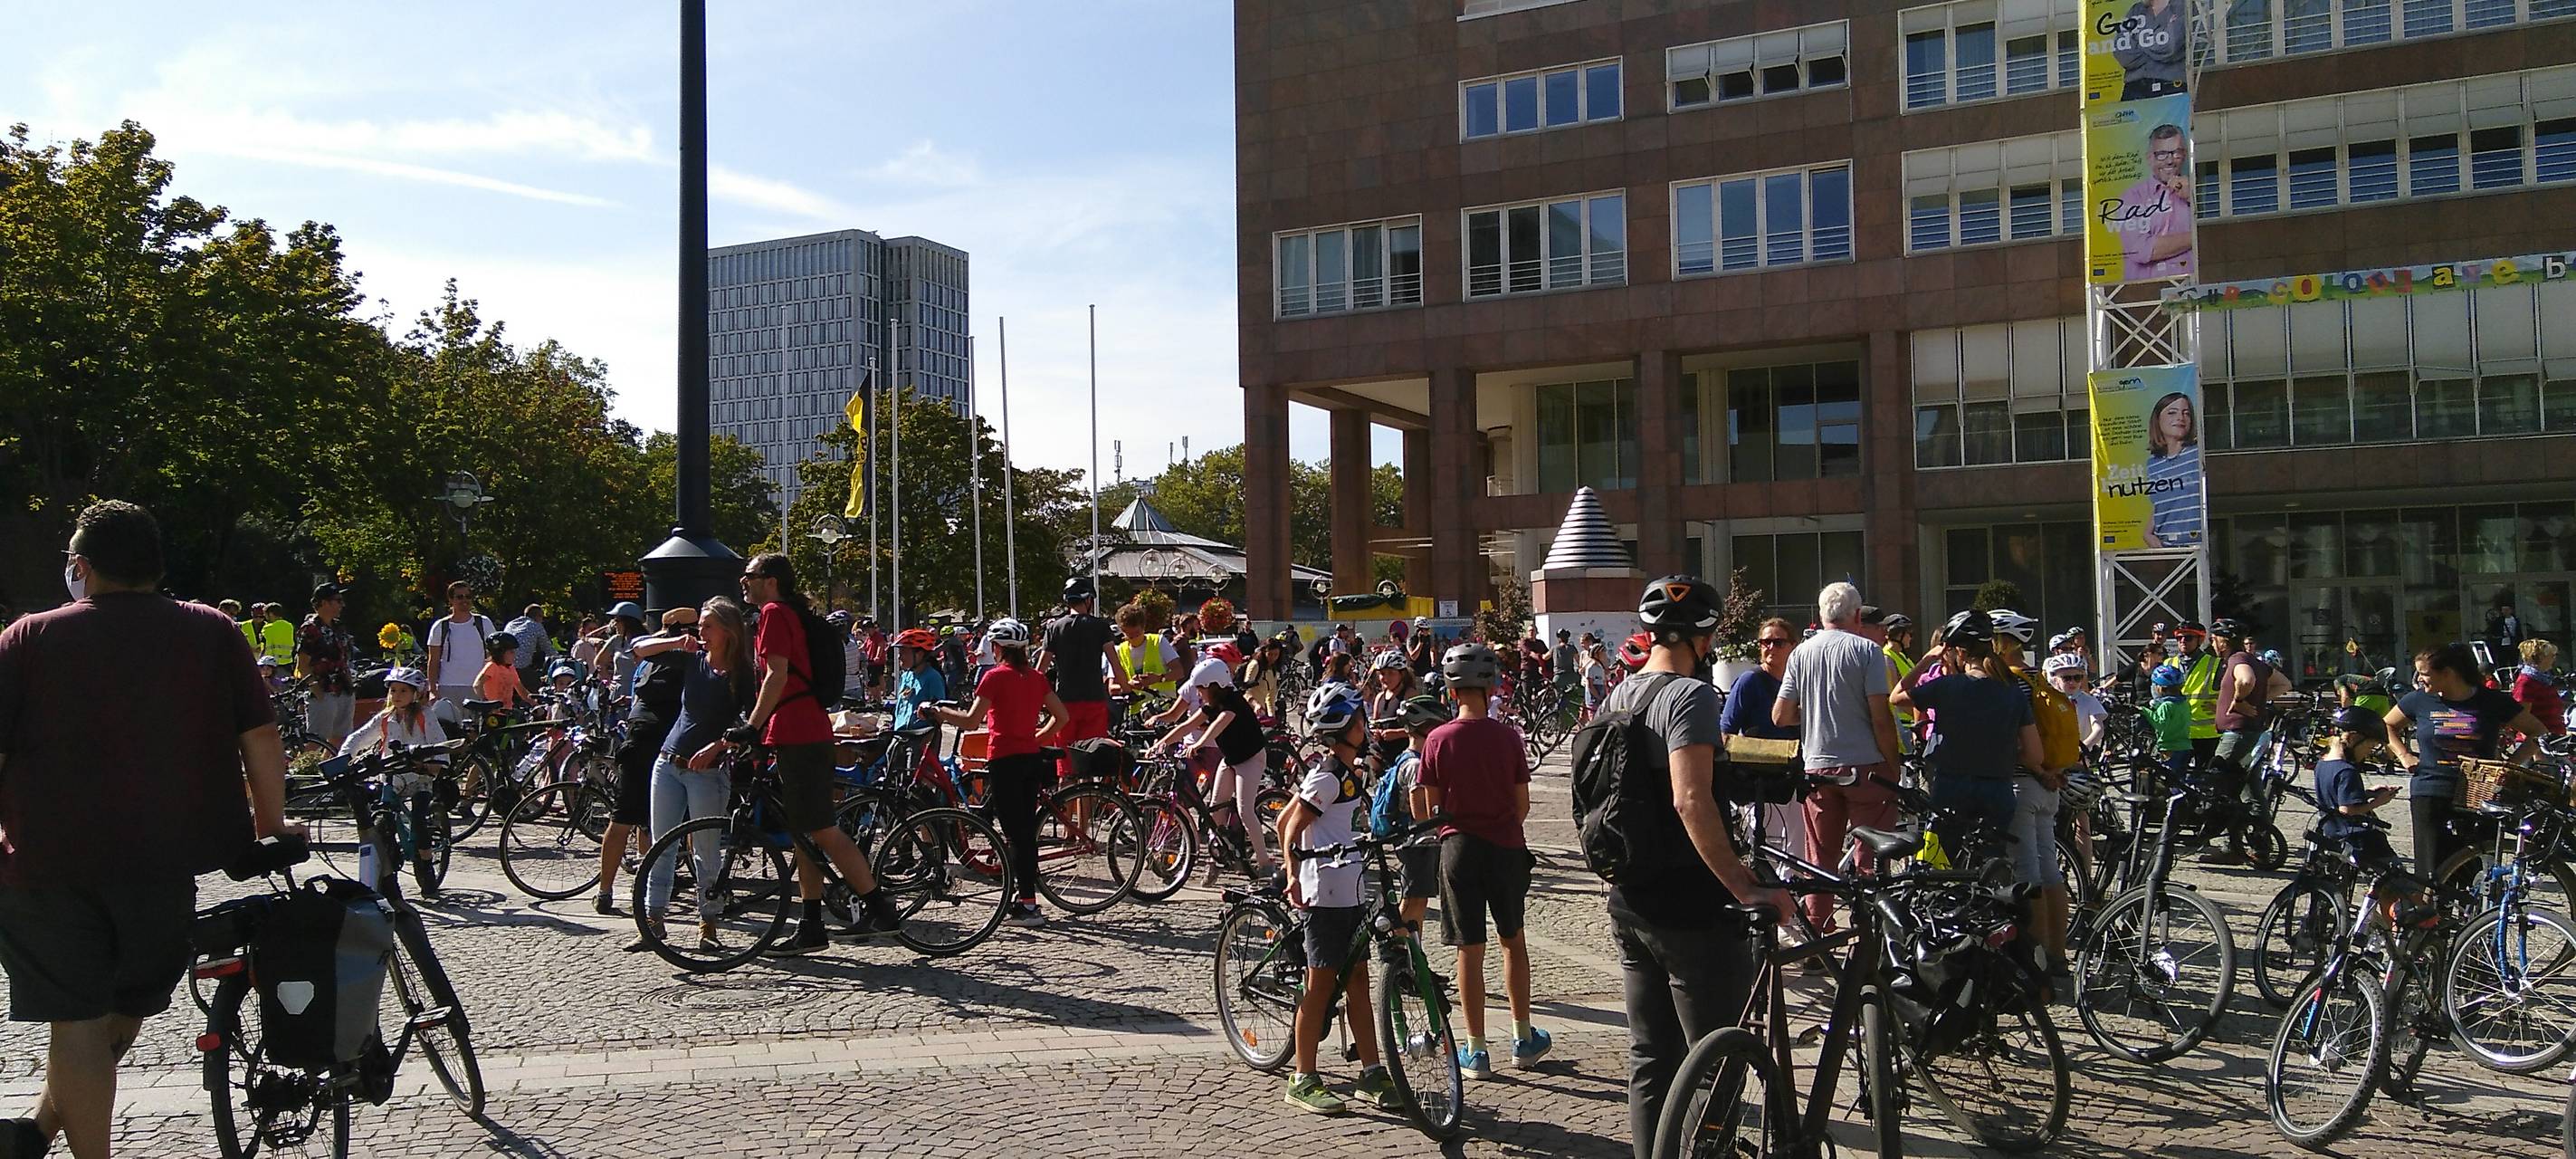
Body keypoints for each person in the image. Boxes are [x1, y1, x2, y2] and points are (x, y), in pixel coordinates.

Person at [0, 500, 298, 1159]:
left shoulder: (28, 638)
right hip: (162, 860)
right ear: (157, 564)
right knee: (125, 1007)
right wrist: (272, 824)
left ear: (82, 566)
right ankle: (39, 1135)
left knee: (77, 1022)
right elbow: (261, 732)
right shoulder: (211, 630)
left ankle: (41, 1134)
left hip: (48, 865)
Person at [1602, 577, 1790, 1159]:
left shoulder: (1619, 696)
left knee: (1651, 1057)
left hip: (1631, 897)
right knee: (1717, 1058)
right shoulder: (1690, 697)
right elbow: (1691, 799)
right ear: (1704, 639)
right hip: (1690, 904)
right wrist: (1747, 885)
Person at [727, 554, 903, 953]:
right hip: (793, 729)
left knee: (821, 827)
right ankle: (811, 923)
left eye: (749, 576)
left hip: (800, 730)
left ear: (770, 581)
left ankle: (879, 906)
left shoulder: (774, 612)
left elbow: (777, 674)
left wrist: (752, 726)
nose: (743, 582)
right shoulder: (782, 612)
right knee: (804, 833)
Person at [1417, 641, 1550, 1079]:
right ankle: (1522, 1036)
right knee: (1513, 941)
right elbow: (1523, 804)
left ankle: (1475, 1049)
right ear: (1491, 687)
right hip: (1506, 846)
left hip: (1459, 849)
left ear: (1451, 692)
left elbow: (1430, 808)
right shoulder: (1509, 737)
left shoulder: (1437, 739)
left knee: (1468, 950)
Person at [1273, 684, 1403, 1116]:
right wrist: (1293, 873)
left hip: (1347, 885)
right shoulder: (1328, 776)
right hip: (1323, 891)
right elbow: (1290, 826)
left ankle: (1370, 1071)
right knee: (1320, 985)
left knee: (1358, 983)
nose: (1366, 726)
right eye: (1360, 720)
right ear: (1344, 728)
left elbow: (1285, 820)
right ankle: (1303, 1077)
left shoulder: (1347, 771)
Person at [1773, 584, 1904, 934]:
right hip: (1866, 768)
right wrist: (1893, 765)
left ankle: (1818, 931)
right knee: (1870, 858)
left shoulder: (1801, 653)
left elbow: (1781, 715)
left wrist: (1817, 711)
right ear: (1858, 616)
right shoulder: (1867, 651)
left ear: (1819, 616)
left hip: (1817, 766)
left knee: (1820, 858)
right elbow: (1881, 716)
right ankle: (1869, 936)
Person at [634, 598, 756, 953]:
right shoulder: (691, 658)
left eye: (707, 626)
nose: (700, 632)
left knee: (706, 849)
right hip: (669, 762)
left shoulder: (742, 673)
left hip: (707, 772)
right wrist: (675, 641)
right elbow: (638, 649)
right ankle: (652, 920)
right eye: (700, 626)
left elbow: (749, 724)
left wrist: (719, 746)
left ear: (727, 631)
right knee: (662, 845)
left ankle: (709, 922)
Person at [925, 618, 1064, 925]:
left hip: (1004, 759)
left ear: (997, 648)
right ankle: (1025, 898)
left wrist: (938, 712)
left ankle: (1028, 905)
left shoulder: (994, 678)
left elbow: (971, 721)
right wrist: (1036, 738)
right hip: (1030, 758)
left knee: (1016, 834)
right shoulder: (1037, 678)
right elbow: (1061, 716)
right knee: (1024, 831)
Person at [2387, 642, 2548, 877]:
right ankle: (2434, 912)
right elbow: (2386, 724)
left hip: (2480, 792)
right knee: (2430, 870)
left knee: (2476, 868)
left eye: (2425, 674)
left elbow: (2538, 732)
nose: (2420, 679)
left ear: (2448, 673)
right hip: (2431, 789)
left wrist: (2510, 765)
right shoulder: (2417, 700)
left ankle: (2474, 915)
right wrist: (2404, 754)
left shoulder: (2492, 701)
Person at [1890, 611, 2043, 853]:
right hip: (1998, 789)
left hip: (1951, 789)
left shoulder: (1947, 687)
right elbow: (2035, 755)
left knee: (1942, 865)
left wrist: (1927, 659)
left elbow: (1896, 697)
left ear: (1960, 652)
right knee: (1990, 867)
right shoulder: (2011, 690)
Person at [1145, 643, 1275, 877]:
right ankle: (1218, 857)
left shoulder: (1233, 703)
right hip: (1231, 759)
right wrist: (1160, 743)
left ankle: (1265, 864)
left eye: (1201, 689)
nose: (1197, 693)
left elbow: (1217, 727)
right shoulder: (1211, 704)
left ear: (1214, 687)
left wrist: (1197, 744)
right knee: (1216, 810)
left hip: (1251, 760)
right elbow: (1187, 725)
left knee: (1246, 811)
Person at [604, 603, 699, 920]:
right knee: (667, 822)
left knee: (624, 819)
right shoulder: (691, 655)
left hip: (640, 734)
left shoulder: (653, 654)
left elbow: (638, 647)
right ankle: (650, 890)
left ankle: (607, 892)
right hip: (671, 740)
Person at [1722, 617, 1801, 860]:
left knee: (1797, 848)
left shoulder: (1800, 681)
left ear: (1793, 646)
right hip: (1761, 778)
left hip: (1795, 776)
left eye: (1778, 642)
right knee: (1768, 849)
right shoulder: (1750, 681)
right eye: (1765, 642)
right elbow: (1726, 730)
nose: (1770, 648)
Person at [2202, 618, 2273, 864]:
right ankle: (2261, 845)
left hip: (2237, 733)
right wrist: (2257, 700)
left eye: (2215, 638)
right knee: (2252, 790)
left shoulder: (2237, 659)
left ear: (2225, 640)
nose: (2212, 642)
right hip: (2251, 732)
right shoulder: (2256, 661)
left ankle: (2231, 846)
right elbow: (2283, 684)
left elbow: (2245, 680)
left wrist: (2239, 701)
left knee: (2221, 785)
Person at [1037, 578, 1120, 783]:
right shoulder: (1101, 626)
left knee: (1066, 767)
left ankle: (1061, 813)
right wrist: (1127, 687)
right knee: (1088, 766)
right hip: (1094, 701)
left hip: (1064, 704)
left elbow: (1040, 669)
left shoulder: (1055, 627)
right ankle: (1085, 817)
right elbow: (1115, 663)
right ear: (1089, 600)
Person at [424, 582, 496, 733]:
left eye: (468, 597)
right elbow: (433, 660)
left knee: (478, 732)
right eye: (460, 597)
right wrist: (432, 689)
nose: (465, 600)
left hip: (477, 688)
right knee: (450, 732)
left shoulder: (484, 623)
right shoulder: (440, 627)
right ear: (451, 600)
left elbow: (493, 656)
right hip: (448, 688)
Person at [296, 583, 358, 751]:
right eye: (337, 601)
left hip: (343, 689)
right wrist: (316, 689)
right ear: (324, 603)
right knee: (317, 740)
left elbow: (344, 658)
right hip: (323, 691)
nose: (342, 605)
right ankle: (306, 773)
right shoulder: (310, 629)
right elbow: (302, 664)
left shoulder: (339, 627)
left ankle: (330, 772)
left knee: (341, 738)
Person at [2142, 392, 2203, 548]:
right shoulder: (2153, 464)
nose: (2180, 418)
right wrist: (2148, 534)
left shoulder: (2198, 453)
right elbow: (2162, 503)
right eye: (2172, 412)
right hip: (2168, 549)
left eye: (2186, 413)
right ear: (2158, 419)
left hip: (2198, 547)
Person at [2112, 0, 2187, 99]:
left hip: (2171, 86)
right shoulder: (2136, 11)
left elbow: (2169, 47)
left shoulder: (2183, 7)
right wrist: (2155, 43)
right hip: (2134, 89)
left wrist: (2138, 41)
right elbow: (2122, 54)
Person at [1111, 601, 1181, 706]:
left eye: (1137, 633)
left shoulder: (1159, 642)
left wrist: (1159, 678)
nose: (1134, 638)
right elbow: (1111, 688)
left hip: (1162, 708)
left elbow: (1179, 672)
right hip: (1135, 713)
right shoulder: (1119, 650)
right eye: (1130, 635)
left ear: (1144, 627)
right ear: (1122, 631)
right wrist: (1128, 685)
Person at [2144, 663, 2195, 790]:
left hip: (2169, 748)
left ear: (2160, 688)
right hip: (2185, 746)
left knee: (2170, 781)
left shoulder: (2166, 706)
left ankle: (2173, 805)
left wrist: (2144, 711)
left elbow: (2160, 724)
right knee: (2181, 779)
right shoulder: (2183, 703)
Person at [2514, 638, 2566, 735]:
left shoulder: (2545, 680)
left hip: (2554, 738)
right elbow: (2521, 718)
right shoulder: (2526, 683)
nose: (2554, 659)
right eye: (2552, 656)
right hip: (2539, 743)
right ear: (2540, 657)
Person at [474, 632, 533, 711]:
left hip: (507, 711)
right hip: (493, 715)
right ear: (500, 653)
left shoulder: (511, 668)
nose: (514, 655)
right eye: (511, 652)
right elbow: (477, 685)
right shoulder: (492, 666)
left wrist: (535, 703)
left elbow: (521, 690)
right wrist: (486, 703)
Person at [504, 604, 555, 694]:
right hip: (520, 666)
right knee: (537, 687)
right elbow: (548, 648)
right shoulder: (536, 626)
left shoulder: (511, 624)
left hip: (504, 665)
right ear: (537, 616)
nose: (542, 620)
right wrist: (558, 657)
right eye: (542, 617)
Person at [1240, 635, 1289, 719]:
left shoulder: (1273, 670)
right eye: (1270, 654)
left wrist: (1271, 716)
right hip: (1247, 711)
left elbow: (1271, 696)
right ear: (1264, 652)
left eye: (1276, 655)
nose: (1273, 658)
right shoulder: (1255, 665)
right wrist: (1256, 705)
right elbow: (1245, 691)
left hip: (1260, 713)